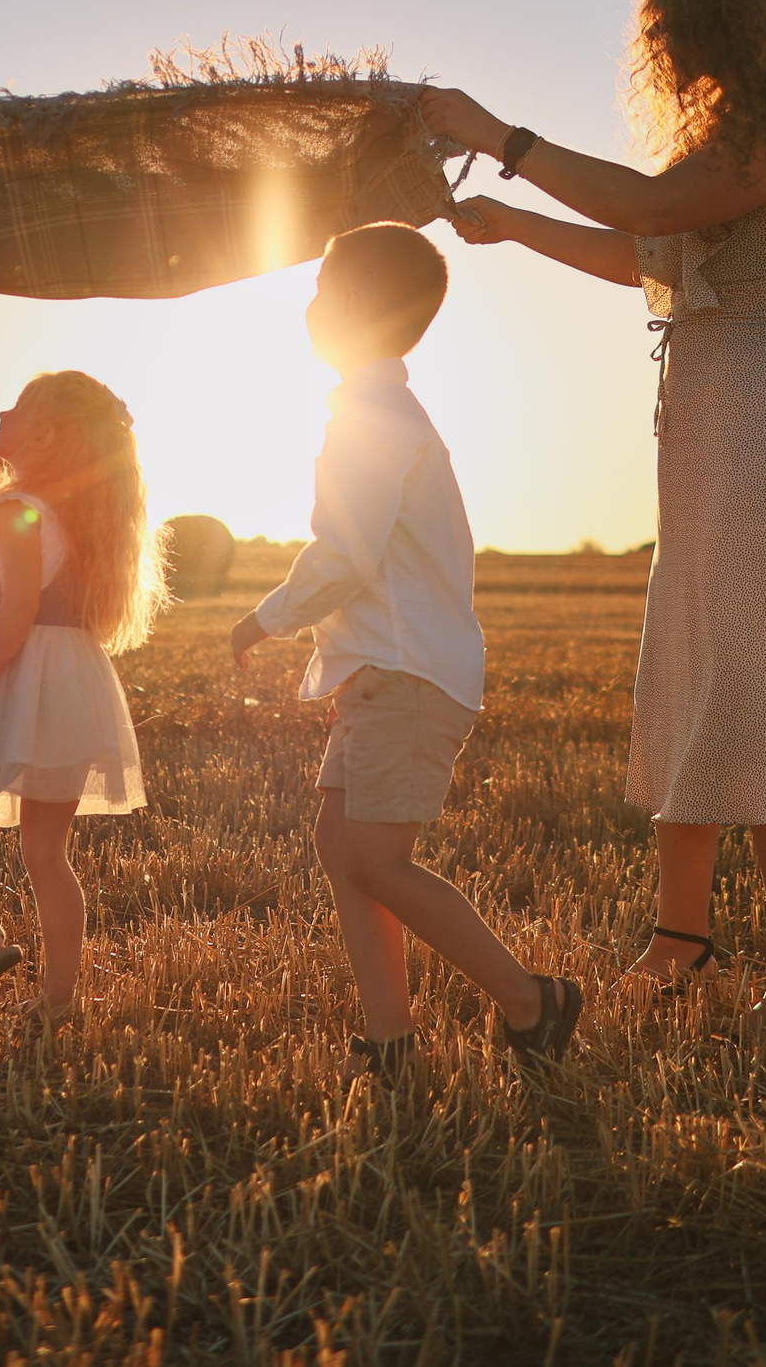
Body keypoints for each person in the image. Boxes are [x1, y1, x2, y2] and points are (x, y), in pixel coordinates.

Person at [420, 0, 766, 1023]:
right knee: (698, 673)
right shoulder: (731, 144)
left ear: (712, 19)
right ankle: (681, 936)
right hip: (705, 419)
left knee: (764, 689)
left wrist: (496, 136)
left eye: (665, 16)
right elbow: (645, 254)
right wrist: (513, 224)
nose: (653, 38)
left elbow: (648, 214)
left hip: (750, 416)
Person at [233, 225, 582, 1077]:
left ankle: (535, 1000)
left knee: (378, 860)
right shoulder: (381, 411)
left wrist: (266, 617)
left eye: (320, 290)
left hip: (408, 677)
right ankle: (389, 1041)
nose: (309, 306)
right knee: (338, 845)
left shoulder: (374, 421)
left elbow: (346, 554)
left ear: (352, 305)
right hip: (384, 676)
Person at [0, 372, 166, 1022]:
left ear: (46, 434)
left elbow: (15, 612)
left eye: (18, 407)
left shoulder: (16, 508)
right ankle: (57, 999)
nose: (1, 411)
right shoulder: (80, 516)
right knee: (47, 851)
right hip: (77, 679)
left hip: (26, 674)